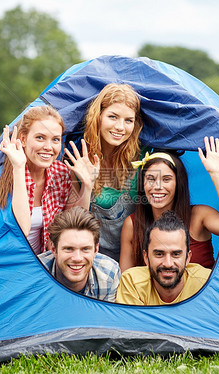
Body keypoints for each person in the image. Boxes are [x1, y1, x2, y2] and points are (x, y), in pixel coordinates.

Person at [118, 136, 219, 272]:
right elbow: (125, 279)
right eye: (150, 179)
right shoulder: (132, 224)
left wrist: (217, 174)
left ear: (179, 184)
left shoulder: (199, 216)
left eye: (166, 179)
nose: (158, 186)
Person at [0, 105, 95, 254]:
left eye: (55, 139)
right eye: (40, 138)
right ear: (22, 139)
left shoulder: (60, 173)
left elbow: (71, 225)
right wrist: (19, 167)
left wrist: (87, 186)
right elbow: (21, 230)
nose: (48, 147)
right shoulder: (1, 176)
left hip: (41, 264)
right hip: (6, 259)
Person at [66, 83, 144, 262]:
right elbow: (73, 222)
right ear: (98, 116)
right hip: (89, 260)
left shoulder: (140, 158)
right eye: (113, 117)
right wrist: (87, 184)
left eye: (128, 120)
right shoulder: (79, 157)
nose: (120, 127)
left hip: (133, 258)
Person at [116, 210, 211, 305]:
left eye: (176, 254)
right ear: (146, 258)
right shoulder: (132, 282)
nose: (168, 264)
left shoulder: (208, 282)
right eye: (159, 254)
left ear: (187, 258)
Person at [38, 207, 120, 302]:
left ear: (96, 249)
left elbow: (105, 316)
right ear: (53, 249)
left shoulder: (109, 273)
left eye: (85, 249)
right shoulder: (34, 275)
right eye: (68, 249)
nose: (77, 258)